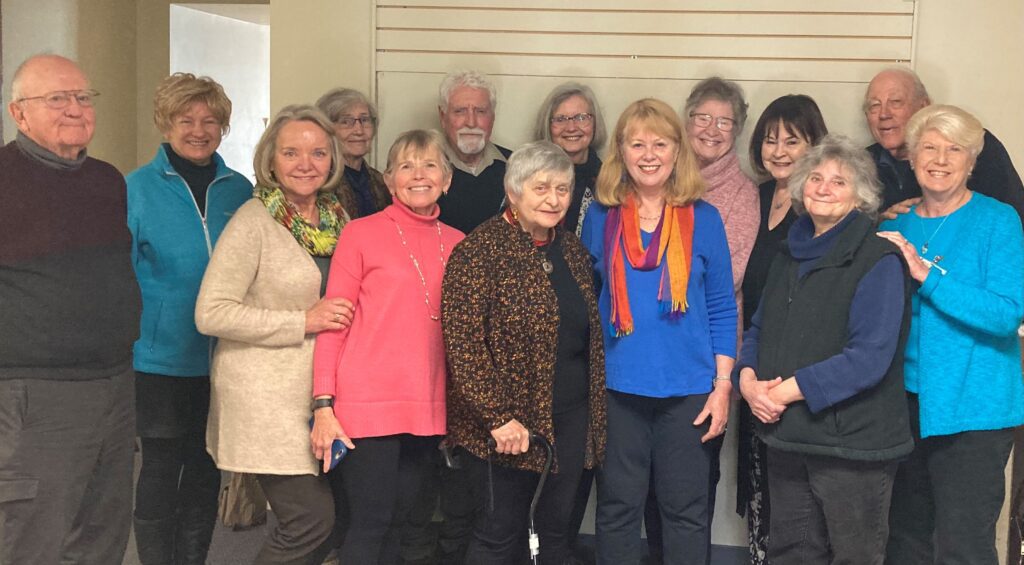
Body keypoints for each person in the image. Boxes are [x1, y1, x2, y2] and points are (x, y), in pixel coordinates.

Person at [737, 133, 912, 565]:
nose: (823, 188)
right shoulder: (787, 254)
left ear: (861, 197)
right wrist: (747, 381)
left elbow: (868, 359)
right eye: (815, 177)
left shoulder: (878, 258)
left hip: (851, 446)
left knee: (854, 556)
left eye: (839, 182)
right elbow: (758, 328)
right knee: (790, 554)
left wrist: (778, 394)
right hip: (788, 436)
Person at [195, 105, 354, 564]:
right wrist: (302, 321)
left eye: (318, 152)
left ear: (332, 160)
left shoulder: (336, 218)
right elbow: (211, 313)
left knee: (336, 520)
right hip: (265, 399)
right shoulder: (254, 221)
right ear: (271, 160)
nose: (305, 163)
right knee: (309, 520)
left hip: (319, 397)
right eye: (291, 152)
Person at [0, 54, 141, 565]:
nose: (75, 108)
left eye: (83, 96)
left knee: (104, 533)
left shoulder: (108, 181)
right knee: (33, 537)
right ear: (19, 114)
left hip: (114, 385)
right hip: (35, 395)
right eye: (57, 98)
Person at [582, 98, 736, 565]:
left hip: (689, 392)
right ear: (621, 153)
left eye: (660, 144)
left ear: (677, 151)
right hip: (617, 388)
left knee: (686, 513)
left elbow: (722, 308)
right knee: (617, 510)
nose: (649, 155)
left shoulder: (705, 219)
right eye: (637, 144)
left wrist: (723, 386)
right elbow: (586, 303)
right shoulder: (600, 218)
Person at [443, 140, 607, 565]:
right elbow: (463, 345)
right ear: (513, 191)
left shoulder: (571, 250)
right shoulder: (478, 252)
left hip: (569, 417)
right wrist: (498, 417)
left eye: (563, 189)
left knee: (555, 534)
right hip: (506, 427)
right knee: (499, 535)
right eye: (541, 188)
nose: (554, 199)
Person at [878, 105, 1024, 565]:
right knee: (904, 538)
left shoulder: (998, 221)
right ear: (913, 157)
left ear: (972, 161)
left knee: (964, 544)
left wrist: (929, 276)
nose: (940, 159)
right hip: (903, 404)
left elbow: (1006, 313)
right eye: (929, 147)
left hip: (975, 409)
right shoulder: (893, 226)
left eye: (954, 149)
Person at [310, 129, 464, 564]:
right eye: (406, 166)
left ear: (447, 180)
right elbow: (333, 324)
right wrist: (323, 403)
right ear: (390, 180)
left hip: (428, 405)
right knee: (370, 521)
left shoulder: (459, 244)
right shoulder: (360, 234)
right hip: (366, 404)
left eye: (430, 164)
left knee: (408, 521)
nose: (419, 175)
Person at [127, 72, 253, 565]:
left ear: (222, 127)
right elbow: (120, 275)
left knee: (205, 469)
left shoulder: (239, 189)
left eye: (210, 120)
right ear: (166, 123)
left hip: (224, 359)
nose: (199, 129)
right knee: (160, 469)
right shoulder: (136, 189)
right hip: (159, 359)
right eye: (186, 119)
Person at [737, 93, 828, 565]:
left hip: (796, 373)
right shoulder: (752, 196)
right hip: (754, 361)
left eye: (792, 140)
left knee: (798, 500)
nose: (778, 151)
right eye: (769, 140)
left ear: (815, 143)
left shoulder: (820, 207)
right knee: (760, 485)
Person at [864, 67, 1024, 222]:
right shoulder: (861, 163)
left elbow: (1014, 215)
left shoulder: (972, 144)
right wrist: (880, 223)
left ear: (923, 106)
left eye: (896, 102)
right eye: (874, 106)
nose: (884, 114)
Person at [435, 69, 513, 234]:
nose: (471, 122)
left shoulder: (516, 166)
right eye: (460, 111)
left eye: (480, 112)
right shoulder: (423, 170)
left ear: (492, 117)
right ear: (443, 117)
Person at [534, 81, 607, 236]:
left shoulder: (610, 180)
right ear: (547, 125)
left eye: (581, 118)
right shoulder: (529, 178)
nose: (571, 127)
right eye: (560, 119)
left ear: (595, 123)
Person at [315, 87, 392, 219]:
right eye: (346, 122)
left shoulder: (382, 182)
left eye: (365, 120)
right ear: (326, 128)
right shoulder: (318, 180)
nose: (359, 130)